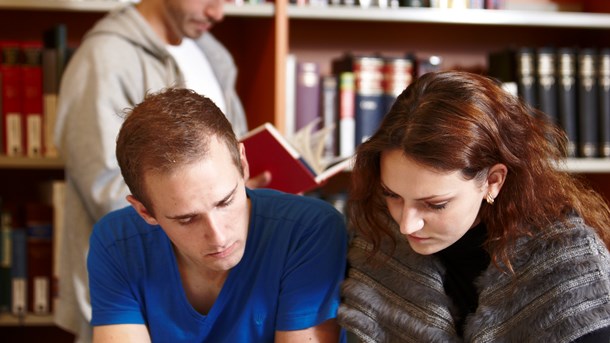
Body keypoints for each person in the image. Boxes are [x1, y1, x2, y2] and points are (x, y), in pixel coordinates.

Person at [338, 70, 610, 342]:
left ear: (493, 181)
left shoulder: (569, 265)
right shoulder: (377, 240)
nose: (406, 224)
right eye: (392, 195)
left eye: (435, 204)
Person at [53, 0, 269, 341]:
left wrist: (235, 194)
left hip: (221, 287)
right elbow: (103, 188)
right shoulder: (105, 57)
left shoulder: (212, 56)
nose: (218, 13)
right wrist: (200, 203)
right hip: (137, 295)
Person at [87, 88, 347, 342]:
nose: (218, 236)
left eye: (226, 201)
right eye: (187, 219)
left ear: (243, 165)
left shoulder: (309, 229)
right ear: (145, 211)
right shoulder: (116, 242)